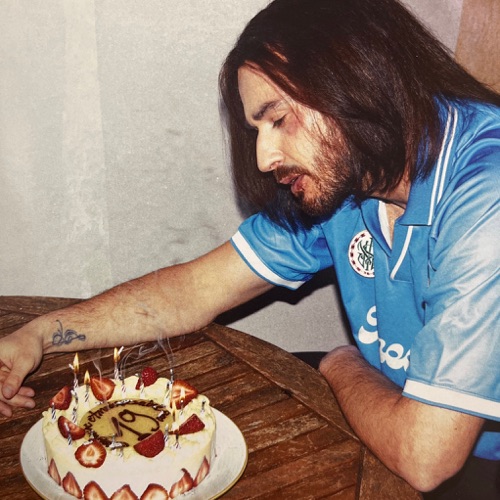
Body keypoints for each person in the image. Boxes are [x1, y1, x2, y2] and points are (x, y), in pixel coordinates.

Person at [0, 0, 498, 496]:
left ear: (357, 78)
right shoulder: (355, 172)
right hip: (387, 413)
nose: (263, 158)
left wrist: (341, 364)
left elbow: (425, 456)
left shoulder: (486, 193)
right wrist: (39, 335)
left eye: (278, 119)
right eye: (257, 130)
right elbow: (191, 292)